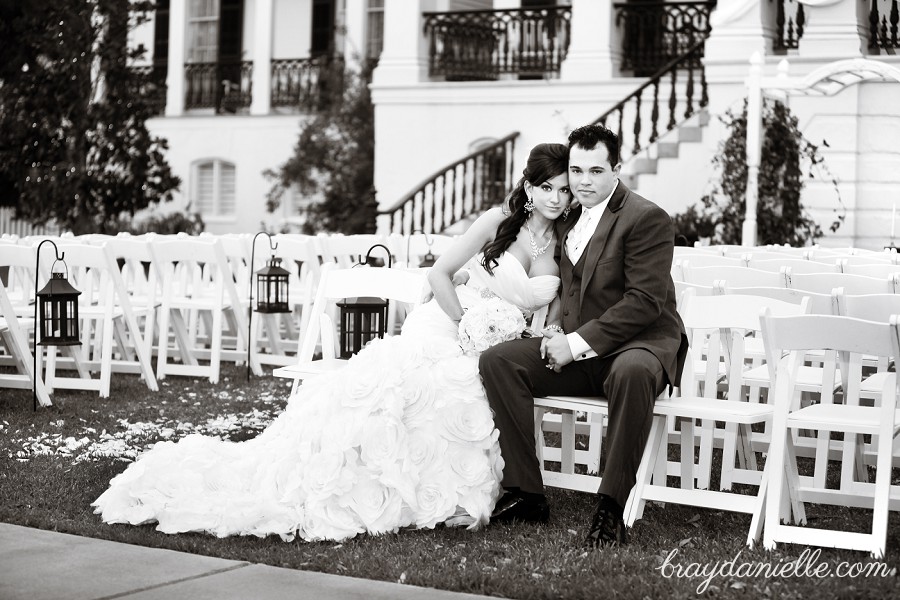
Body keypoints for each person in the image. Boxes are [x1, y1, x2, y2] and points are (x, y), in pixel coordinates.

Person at [92, 143, 571, 541]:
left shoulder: (567, 243)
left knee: (468, 386)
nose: (555, 197)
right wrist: (465, 322)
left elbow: (545, 312)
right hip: (449, 324)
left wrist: (524, 335)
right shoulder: (494, 223)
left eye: (564, 189)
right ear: (528, 188)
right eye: (546, 187)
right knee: (416, 389)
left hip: (500, 344)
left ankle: (452, 492)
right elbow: (440, 274)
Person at [480, 124, 688, 548]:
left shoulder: (646, 217)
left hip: (638, 347)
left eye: (595, 170)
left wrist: (572, 344)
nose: (583, 181)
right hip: (581, 352)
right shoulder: (569, 214)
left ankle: (610, 509)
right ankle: (527, 494)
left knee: (631, 371)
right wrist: (560, 333)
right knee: (499, 361)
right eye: (577, 170)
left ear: (615, 169)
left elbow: (644, 303)